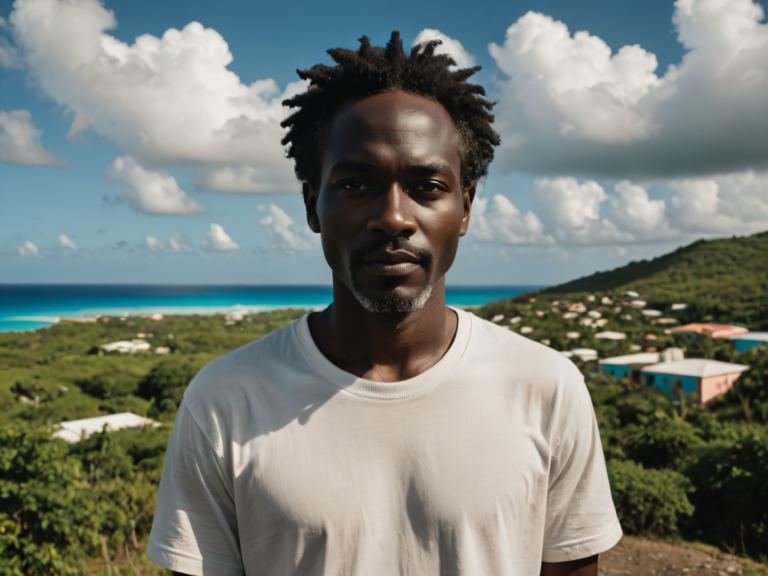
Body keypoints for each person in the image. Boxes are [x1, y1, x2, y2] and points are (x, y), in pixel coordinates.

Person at [147, 31, 622, 576]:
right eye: (356, 184)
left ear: (465, 209)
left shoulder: (547, 388)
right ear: (312, 205)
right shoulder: (225, 400)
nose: (394, 217)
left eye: (427, 186)